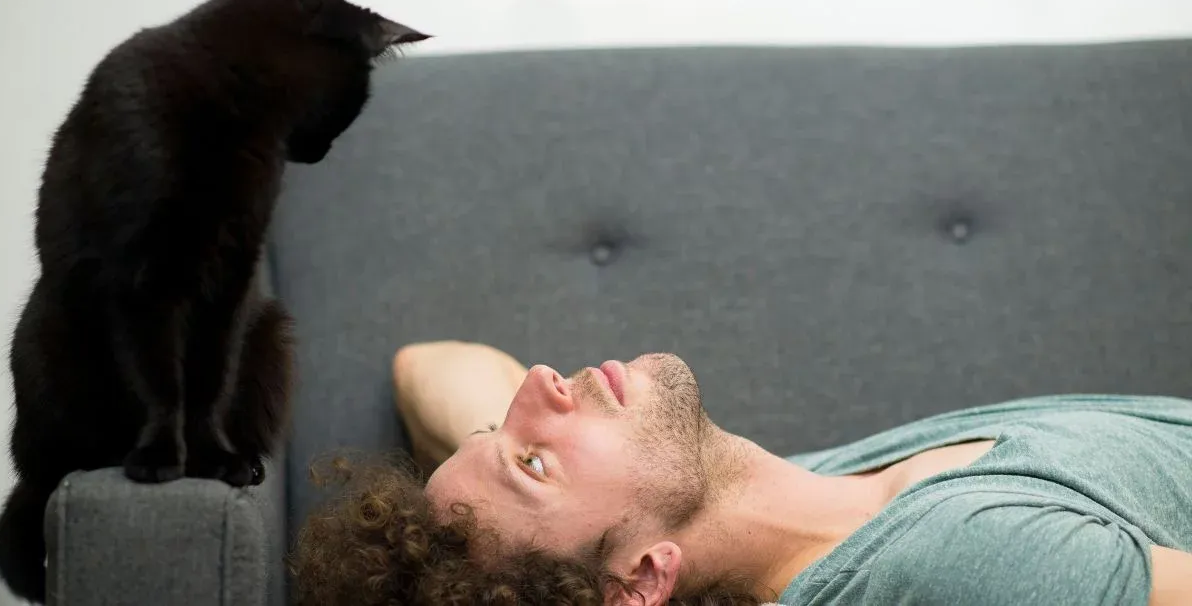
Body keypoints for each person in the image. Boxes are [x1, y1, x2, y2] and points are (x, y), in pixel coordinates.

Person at [288, 340, 1192, 606]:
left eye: (501, 428)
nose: (537, 381)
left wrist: (506, 458)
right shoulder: (967, 564)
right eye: (533, 462)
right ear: (643, 575)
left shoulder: (791, 511)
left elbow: (427, 364)